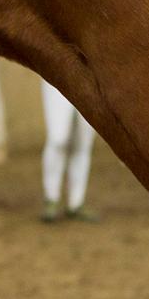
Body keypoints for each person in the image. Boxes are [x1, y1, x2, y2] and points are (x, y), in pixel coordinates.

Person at [40, 78, 99, 222]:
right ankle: (51, 198)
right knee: (58, 138)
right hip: (57, 77)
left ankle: (76, 203)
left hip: (90, 79)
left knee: (83, 142)